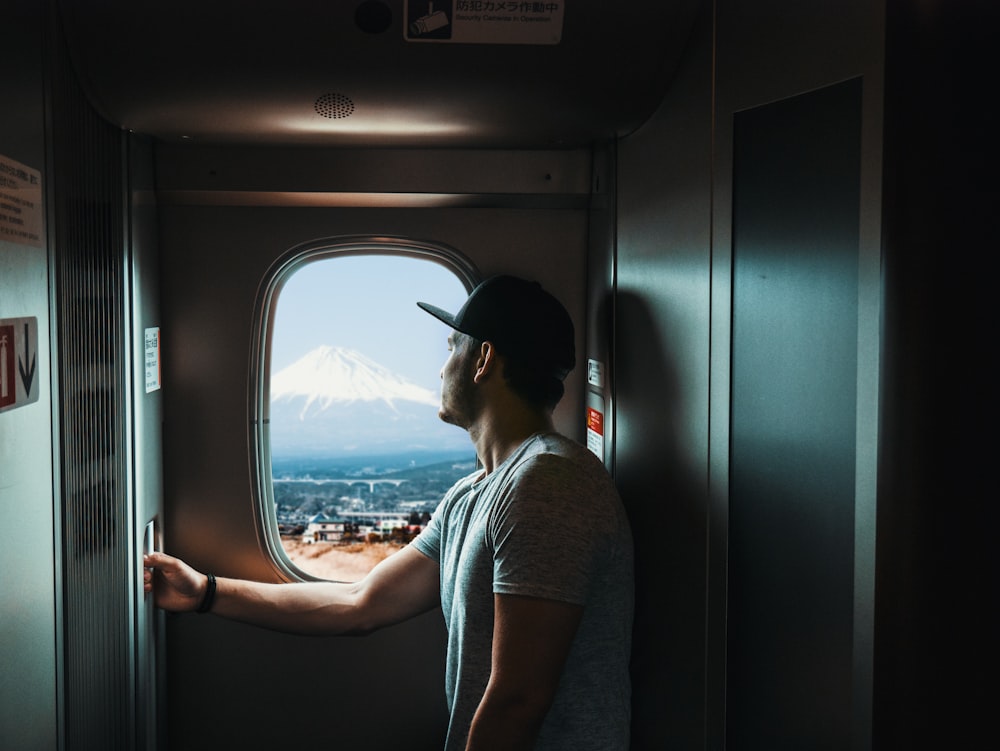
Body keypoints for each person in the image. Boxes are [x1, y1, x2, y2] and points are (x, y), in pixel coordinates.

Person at [144, 274, 634, 751]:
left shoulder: (549, 486)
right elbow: (362, 603)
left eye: (450, 348)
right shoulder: (475, 493)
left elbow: (518, 702)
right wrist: (205, 592)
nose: (442, 369)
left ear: (483, 359)